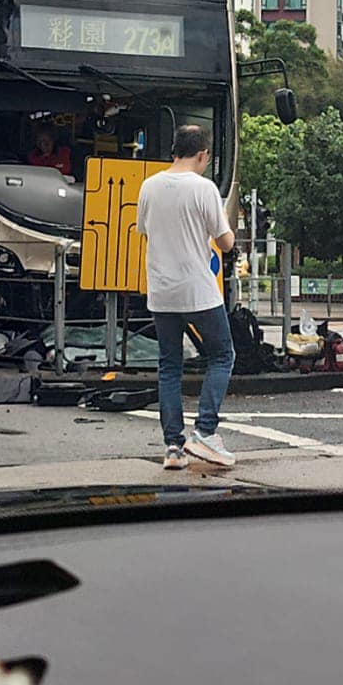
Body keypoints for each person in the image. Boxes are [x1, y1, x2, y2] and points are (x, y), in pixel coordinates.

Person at [136, 124, 236, 470]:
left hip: (161, 291)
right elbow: (225, 243)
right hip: (198, 289)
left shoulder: (149, 186)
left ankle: (173, 448)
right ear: (203, 154)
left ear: (174, 149)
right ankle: (205, 431)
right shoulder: (204, 188)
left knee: (169, 366)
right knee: (222, 355)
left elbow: (146, 233)